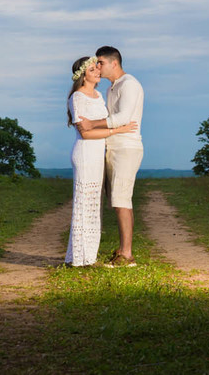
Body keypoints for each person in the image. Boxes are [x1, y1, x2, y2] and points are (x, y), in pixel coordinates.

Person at [65, 55, 139, 267]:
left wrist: (107, 130)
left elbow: (95, 126)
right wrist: (117, 130)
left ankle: (89, 256)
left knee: (94, 206)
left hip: (99, 154)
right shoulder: (77, 97)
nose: (97, 71)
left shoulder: (98, 95)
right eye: (91, 70)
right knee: (84, 205)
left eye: (97, 68)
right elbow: (86, 133)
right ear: (82, 77)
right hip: (86, 154)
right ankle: (80, 258)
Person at [85, 45, 144, 268]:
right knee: (116, 199)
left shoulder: (129, 84)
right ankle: (122, 250)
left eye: (100, 62)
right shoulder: (111, 88)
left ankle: (127, 255)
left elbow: (122, 117)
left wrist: (92, 124)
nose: (98, 67)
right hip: (112, 146)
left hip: (126, 147)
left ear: (114, 63)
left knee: (122, 200)